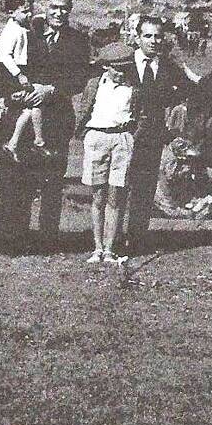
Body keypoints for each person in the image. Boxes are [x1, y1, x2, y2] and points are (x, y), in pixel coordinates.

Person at [0, 0, 90, 253]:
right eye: (54, 7)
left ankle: (47, 241)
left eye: (65, 8)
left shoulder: (78, 40)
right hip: (22, 116)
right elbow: (1, 68)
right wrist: (14, 94)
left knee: (52, 182)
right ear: (44, 6)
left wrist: (51, 90)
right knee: (14, 178)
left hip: (57, 117)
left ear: (71, 9)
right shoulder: (26, 29)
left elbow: (79, 79)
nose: (59, 13)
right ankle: (10, 239)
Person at [125, 15, 196, 254]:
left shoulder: (169, 68)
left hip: (151, 138)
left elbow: (188, 92)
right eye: (148, 36)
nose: (154, 41)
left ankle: (136, 239)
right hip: (121, 134)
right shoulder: (123, 63)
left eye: (158, 36)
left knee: (144, 189)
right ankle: (108, 240)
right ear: (137, 38)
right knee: (116, 188)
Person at [75, 42, 136, 264]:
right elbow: (84, 109)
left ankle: (110, 250)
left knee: (115, 197)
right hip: (97, 138)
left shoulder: (133, 88)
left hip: (122, 139)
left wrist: (132, 136)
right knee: (98, 196)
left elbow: (140, 115)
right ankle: (97, 248)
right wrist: (84, 133)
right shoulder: (94, 84)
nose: (121, 73)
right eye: (117, 69)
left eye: (126, 69)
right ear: (105, 66)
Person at [0, 0, 52, 163]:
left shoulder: (22, 26)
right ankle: (36, 141)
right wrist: (19, 75)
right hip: (8, 73)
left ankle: (20, 142)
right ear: (11, 12)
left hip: (20, 70)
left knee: (32, 106)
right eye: (24, 11)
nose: (29, 14)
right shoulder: (11, 31)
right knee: (33, 103)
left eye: (30, 10)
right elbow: (5, 56)